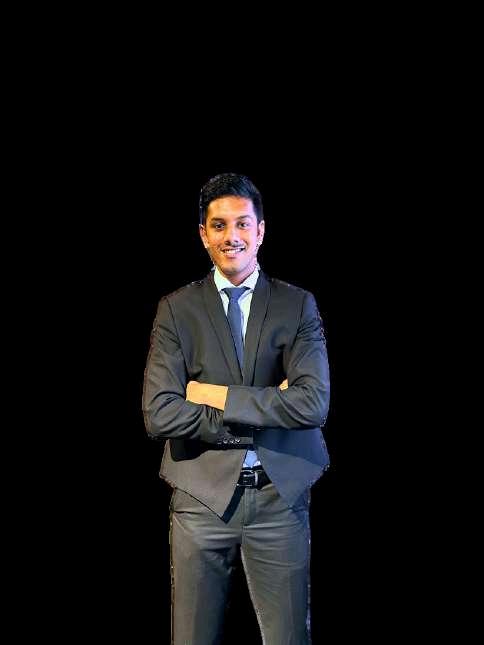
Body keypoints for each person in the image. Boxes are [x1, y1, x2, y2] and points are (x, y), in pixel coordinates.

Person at [142, 173, 330, 644]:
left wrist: (212, 395)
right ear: (203, 235)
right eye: (219, 225)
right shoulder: (176, 310)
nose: (232, 236)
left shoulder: (297, 305)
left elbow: (313, 403)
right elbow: (159, 414)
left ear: (260, 231)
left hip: (279, 497)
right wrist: (269, 407)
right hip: (200, 499)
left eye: (243, 224)